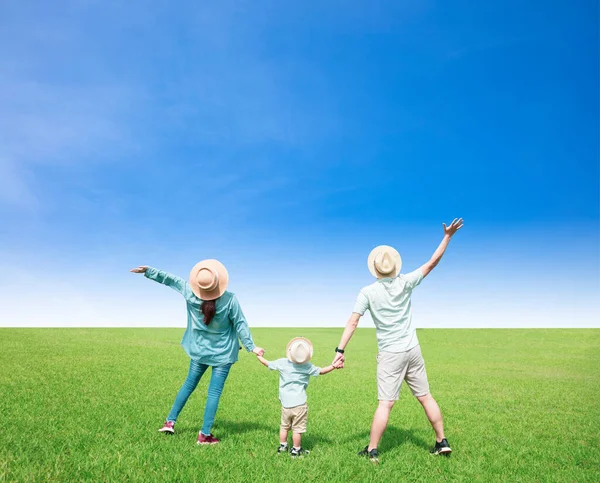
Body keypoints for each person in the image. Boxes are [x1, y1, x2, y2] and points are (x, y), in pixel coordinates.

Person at [332, 218, 464, 462]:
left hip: (390, 354)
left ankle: (372, 450)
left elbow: (353, 322)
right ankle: (441, 441)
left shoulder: (367, 292)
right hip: (412, 349)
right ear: (394, 266)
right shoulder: (405, 282)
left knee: (385, 404)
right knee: (425, 397)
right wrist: (447, 237)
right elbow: (431, 263)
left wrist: (340, 350)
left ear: (375, 268)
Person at [131, 259, 264, 445]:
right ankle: (204, 435)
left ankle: (170, 422)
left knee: (188, 385)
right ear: (218, 282)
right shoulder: (230, 299)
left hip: (199, 351)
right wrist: (252, 347)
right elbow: (240, 324)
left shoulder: (189, 293)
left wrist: (149, 271)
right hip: (223, 354)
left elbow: (171, 280)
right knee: (214, 392)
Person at [256, 337, 339, 457]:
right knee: (297, 429)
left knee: (284, 427)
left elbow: (267, 363)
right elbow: (321, 371)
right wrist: (334, 366)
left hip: (285, 404)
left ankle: (283, 446)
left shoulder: (282, 363)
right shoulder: (307, 366)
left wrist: (259, 356)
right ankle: (296, 450)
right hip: (300, 404)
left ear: (290, 351)